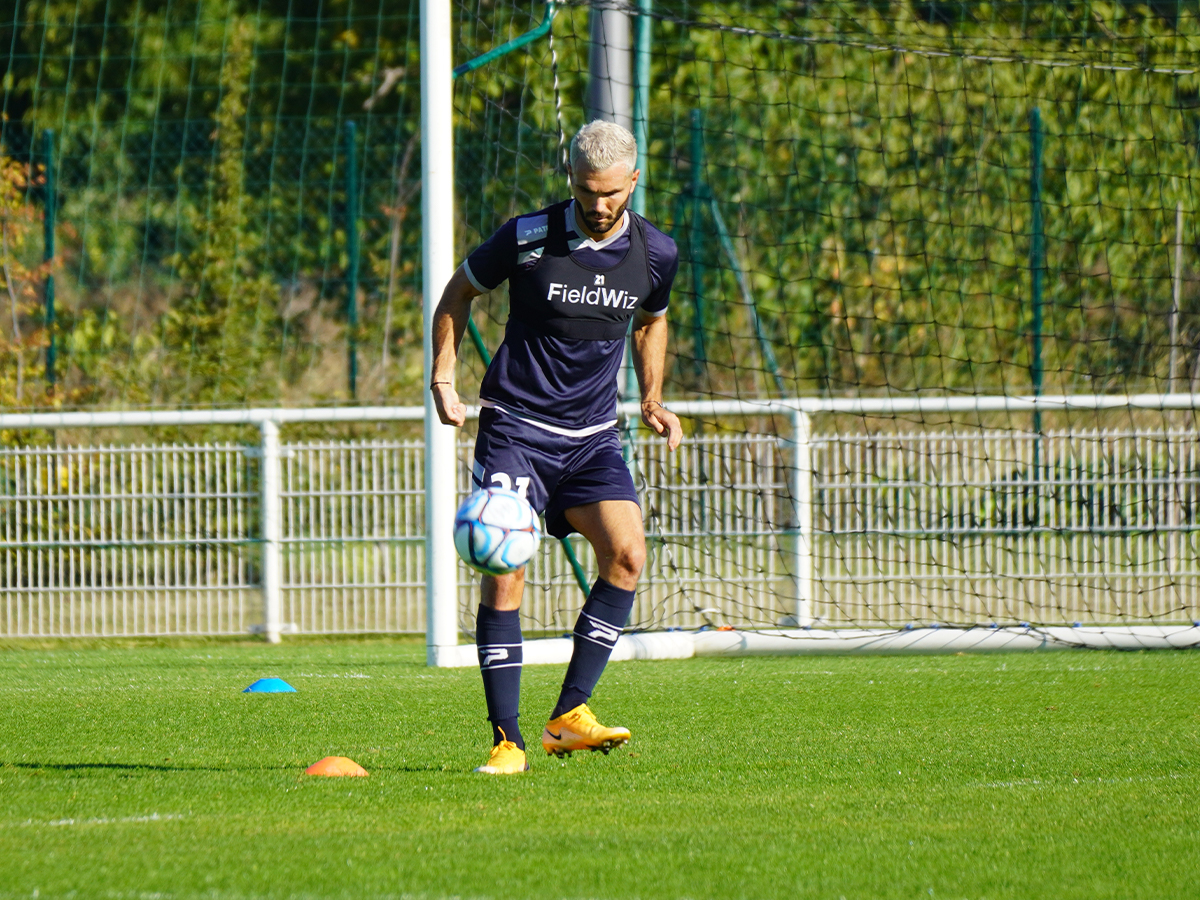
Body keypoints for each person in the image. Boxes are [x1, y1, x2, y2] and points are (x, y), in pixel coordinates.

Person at [430, 120, 682, 775]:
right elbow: (457, 294)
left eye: (610, 194)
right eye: (585, 190)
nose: (598, 207)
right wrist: (442, 378)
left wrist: (652, 398)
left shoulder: (656, 252)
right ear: (570, 178)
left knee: (627, 555)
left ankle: (568, 716)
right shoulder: (529, 236)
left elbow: (652, 321)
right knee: (507, 568)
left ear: (632, 182)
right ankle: (506, 740)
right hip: (516, 430)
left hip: (593, 440)